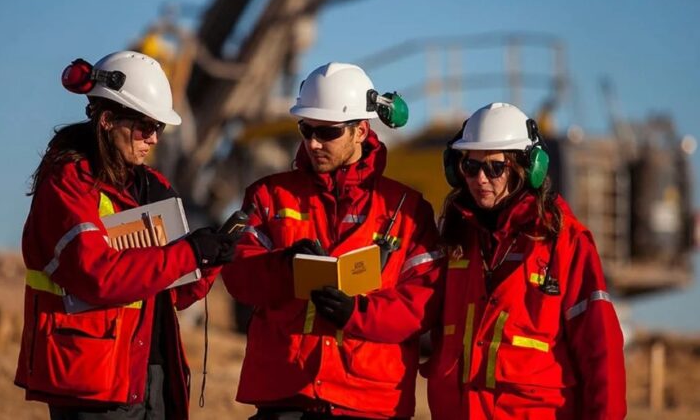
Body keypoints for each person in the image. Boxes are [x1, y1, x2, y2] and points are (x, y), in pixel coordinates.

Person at [14, 50, 239, 420]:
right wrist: (188, 254)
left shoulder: (155, 187)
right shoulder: (69, 185)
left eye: (159, 129)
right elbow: (96, 275)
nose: (153, 139)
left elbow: (177, 295)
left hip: (153, 373)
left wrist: (209, 259)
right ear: (106, 120)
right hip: (92, 379)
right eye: (144, 127)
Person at [220, 62, 445, 419]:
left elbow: (423, 304)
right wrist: (285, 266)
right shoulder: (269, 196)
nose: (312, 142)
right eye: (305, 129)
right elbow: (238, 274)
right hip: (286, 396)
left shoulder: (407, 211)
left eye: (327, 132)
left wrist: (356, 314)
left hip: (367, 402)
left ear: (361, 130)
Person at [423, 102, 627, 419]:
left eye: (494, 167)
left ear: (525, 168)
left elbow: (601, 350)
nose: (480, 178)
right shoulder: (454, 238)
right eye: (470, 167)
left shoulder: (565, 243)